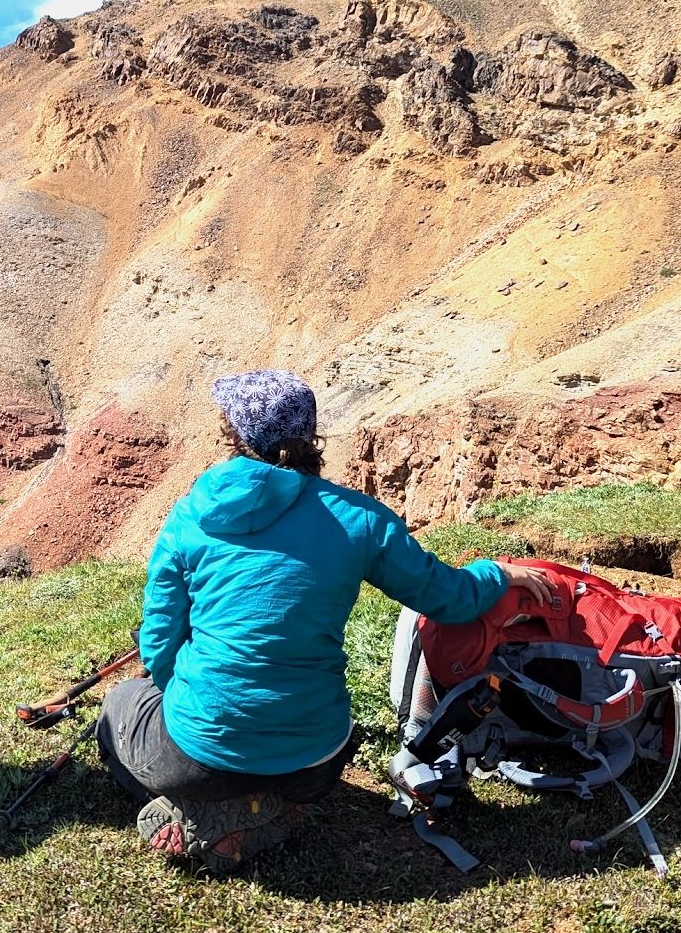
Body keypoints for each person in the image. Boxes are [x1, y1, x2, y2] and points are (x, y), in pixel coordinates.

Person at [96, 369, 554, 872]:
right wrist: (498, 573)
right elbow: (448, 597)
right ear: (309, 436)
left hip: (196, 755)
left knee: (119, 706)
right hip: (315, 761)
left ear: (234, 435)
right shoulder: (359, 518)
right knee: (297, 758)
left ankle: (204, 807)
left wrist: (192, 701)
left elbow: (159, 643)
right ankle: (265, 810)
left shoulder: (191, 515)